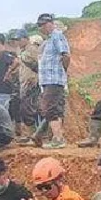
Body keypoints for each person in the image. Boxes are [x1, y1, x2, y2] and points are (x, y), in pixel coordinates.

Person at [36, 13, 71, 149]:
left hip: (54, 79)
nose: (41, 28)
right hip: (49, 80)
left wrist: (63, 71)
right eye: (39, 26)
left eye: (43, 25)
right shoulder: (50, 39)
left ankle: (58, 138)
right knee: (54, 108)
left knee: (49, 109)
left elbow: (66, 55)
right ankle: (58, 137)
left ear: (50, 23)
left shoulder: (57, 36)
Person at [10, 29, 41, 142]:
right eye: (16, 40)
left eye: (19, 39)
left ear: (25, 39)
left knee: (29, 109)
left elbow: (39, 65)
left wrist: (36, 79)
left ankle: (34, 135)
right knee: (25, 110)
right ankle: (30, 135)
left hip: (32, 83)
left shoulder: (32, 49)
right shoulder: (21, 50)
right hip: (23, 83)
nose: (17, 42)